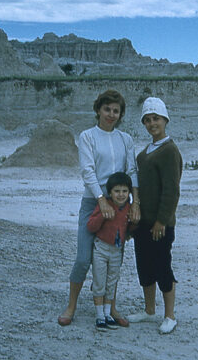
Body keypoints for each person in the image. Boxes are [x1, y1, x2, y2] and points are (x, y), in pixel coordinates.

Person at [57, 90, 139, 327]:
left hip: (120, 205)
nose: (111, 115)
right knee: (83, 258)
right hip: (93, 203)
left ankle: (111, 307)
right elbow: (87, 170)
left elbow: (132, 171)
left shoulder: (126, 139)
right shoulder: (88, 136)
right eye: (107, 109)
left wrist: (135, 203)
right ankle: (71, 305)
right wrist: (101, 199)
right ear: (98, 110)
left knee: (115, 259)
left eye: (116, 111)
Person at [129, 97, 183, 334]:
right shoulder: (143, 154)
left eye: (156, 119)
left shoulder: (170, 150)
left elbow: (171, 190)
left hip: (160, 223)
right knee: (144, 266)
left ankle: (169, 315)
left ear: (165, 120)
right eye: (148, 120)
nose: (152, 124)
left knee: (163, 267)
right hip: (143, 221)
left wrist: (162, 220)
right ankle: (149, 310)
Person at [86, 172, 135, 331]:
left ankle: (108, 313)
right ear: (110, 192)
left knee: (112, 281)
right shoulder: (104, 205)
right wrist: (103, 216)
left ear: (129, 193)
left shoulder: (128, 207)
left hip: (117, 250)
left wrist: (132, 229)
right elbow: (91, 226)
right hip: (101, 248)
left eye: (124, 191)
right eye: (117, 191)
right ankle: (99, 315)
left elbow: (129, 227)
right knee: (99, 281)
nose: (121, 195)